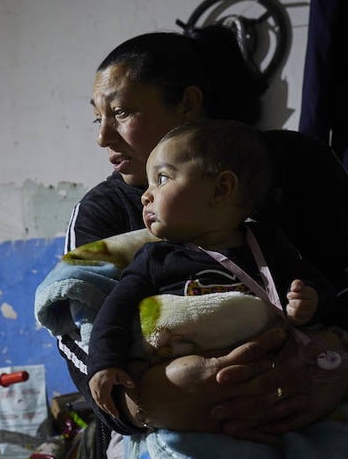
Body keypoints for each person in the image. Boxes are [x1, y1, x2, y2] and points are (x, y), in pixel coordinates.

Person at [64, 26, 348, 444]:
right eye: (98, 118)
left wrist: (341, 354)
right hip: (177, 441)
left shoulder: (294, 162)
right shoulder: (101, 212)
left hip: (326, 418)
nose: (102, 137)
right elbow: (78, 325)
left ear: (188, 103)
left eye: (122, 113)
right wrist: (155, 398)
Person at [87, 119, 330, 425]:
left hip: (273, 391)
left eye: (161, 179)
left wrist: (307, 302)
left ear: (221, 189)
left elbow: (315, 286)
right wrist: (104, 364)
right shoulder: (154, 258)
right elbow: (115, 311)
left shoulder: (269, 245)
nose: (145, 196)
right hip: (193, 407)